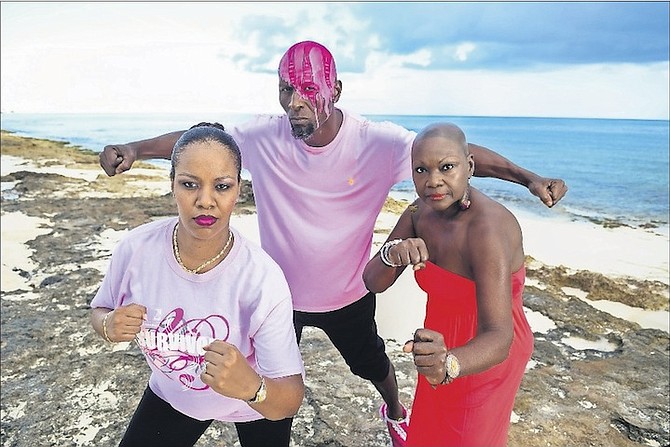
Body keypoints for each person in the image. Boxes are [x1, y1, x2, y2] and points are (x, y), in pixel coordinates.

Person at [98, 41, 566, 447]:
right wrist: (137, 149)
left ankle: (395, 409)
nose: (296, 102)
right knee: (273, 388)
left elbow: (449, 157)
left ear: (336, 91)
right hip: (280, 296)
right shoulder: (263, 136)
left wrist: (526, 178)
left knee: (371, 364)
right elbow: (200, 142)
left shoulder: (376, 142)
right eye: (287, 90)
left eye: (309, 89)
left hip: (349, 292)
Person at [90, 123, 305, 447]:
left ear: (238, 190)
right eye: (190, 184)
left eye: (221, 186)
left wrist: (252, 387)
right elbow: (99, 309)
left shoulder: (262, 280)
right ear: (172, 185)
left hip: (253, 406)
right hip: (173, 395)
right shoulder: (136, 250)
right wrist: (108, 324)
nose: (205, 201)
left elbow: (289, 398)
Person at [363, 122, 534, 447]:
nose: (433, 181)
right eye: (421, 170)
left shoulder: (487, 231)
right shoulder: (418, 212)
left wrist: (450, 364)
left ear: (469, 167)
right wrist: (391, 254)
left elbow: (499, 336)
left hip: (486, 352)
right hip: (438, 341)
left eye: (447, 167)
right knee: (431, 432)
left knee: (469, 437)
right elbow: (372, 282)